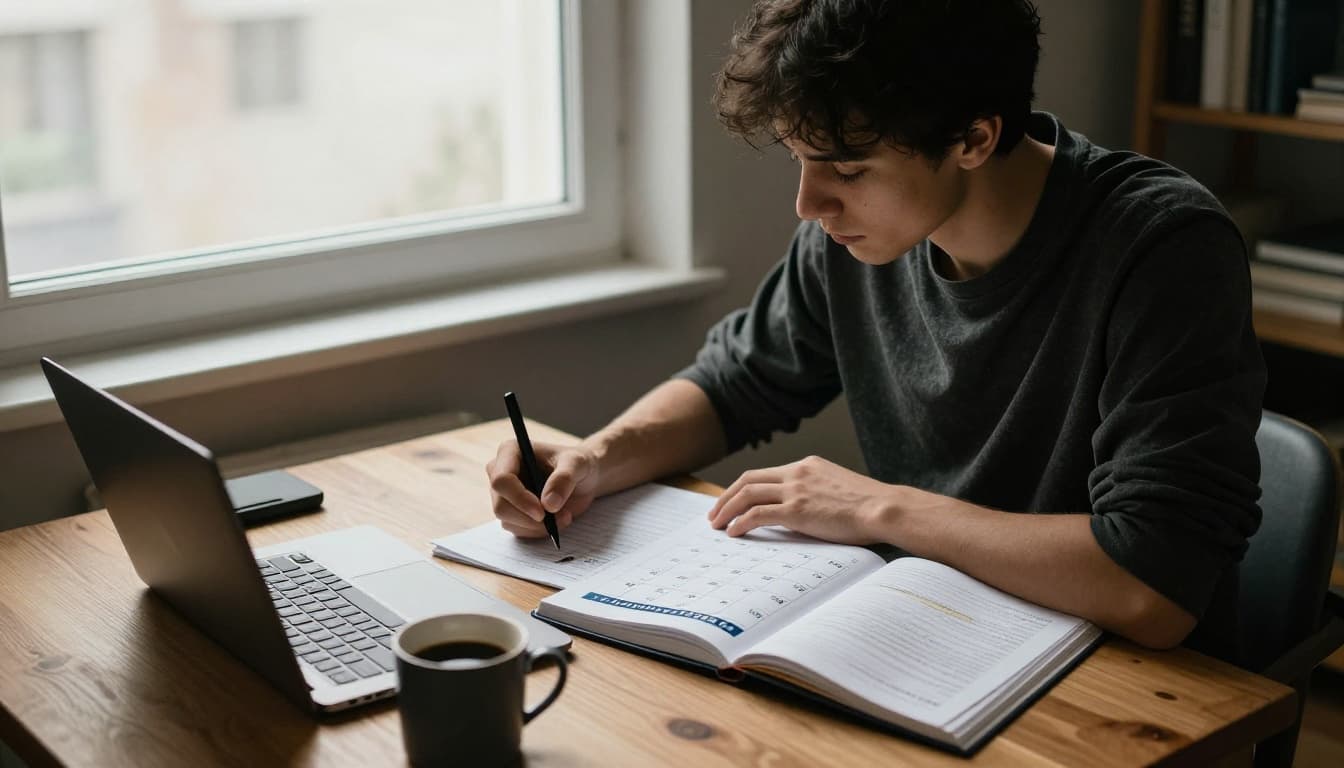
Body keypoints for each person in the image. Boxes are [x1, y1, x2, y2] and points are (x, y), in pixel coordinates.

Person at [486, 0, 1265, 663]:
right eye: (799, 160)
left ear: (974, 139)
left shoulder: (1162, 248)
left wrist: (878, 510)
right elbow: (734, 385)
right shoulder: (856, 240)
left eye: (848, 171)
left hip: (1116, 680)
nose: (808, 205)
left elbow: (1154, 585)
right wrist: (596, 456)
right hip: (934, 636)